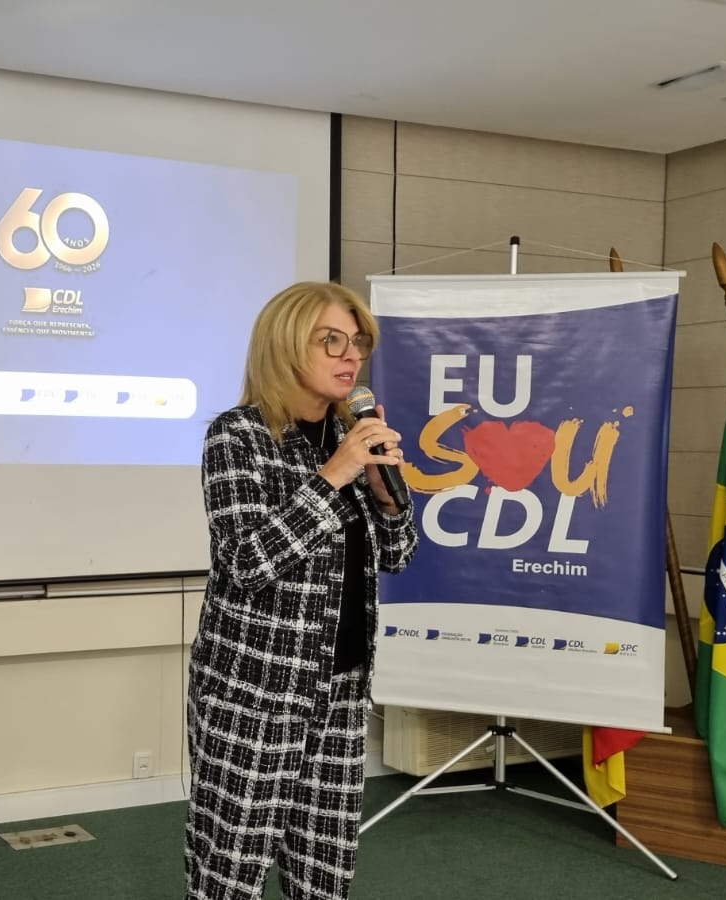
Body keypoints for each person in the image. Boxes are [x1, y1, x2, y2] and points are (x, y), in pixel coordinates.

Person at [184, 281, 419, 900]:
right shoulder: (238, 436)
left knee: (324, 873)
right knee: (229, 869)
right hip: (254, 693)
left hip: (341, 686)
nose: (351, 356)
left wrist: (385, 495)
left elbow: (399, 556)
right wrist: (334, 475)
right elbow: (245, 562)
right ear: (287, 346)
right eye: (331, 341)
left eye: (358, 342)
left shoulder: (353, 437)